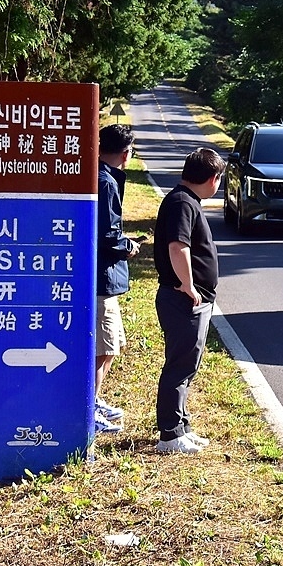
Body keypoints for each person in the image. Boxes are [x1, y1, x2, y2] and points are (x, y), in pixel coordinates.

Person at [152, 147, 226, 454]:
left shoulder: (185, 200)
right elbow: (177, 246)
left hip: (189, 298)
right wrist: (188, 286)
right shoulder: (184, 203)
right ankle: (169, 435)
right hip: (182, 298)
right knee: (180, 365)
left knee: (187, 364)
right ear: (212, 178)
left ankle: (180, 425)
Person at [95, 124, 141, 434]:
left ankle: (92, 401)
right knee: (103, 348)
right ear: (126, 153)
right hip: (101, 280)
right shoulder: (107, 183)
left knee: (108, 345)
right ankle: (87, 406)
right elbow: (108, 235)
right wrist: (129, 246)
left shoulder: (96, 175)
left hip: (98, 278)